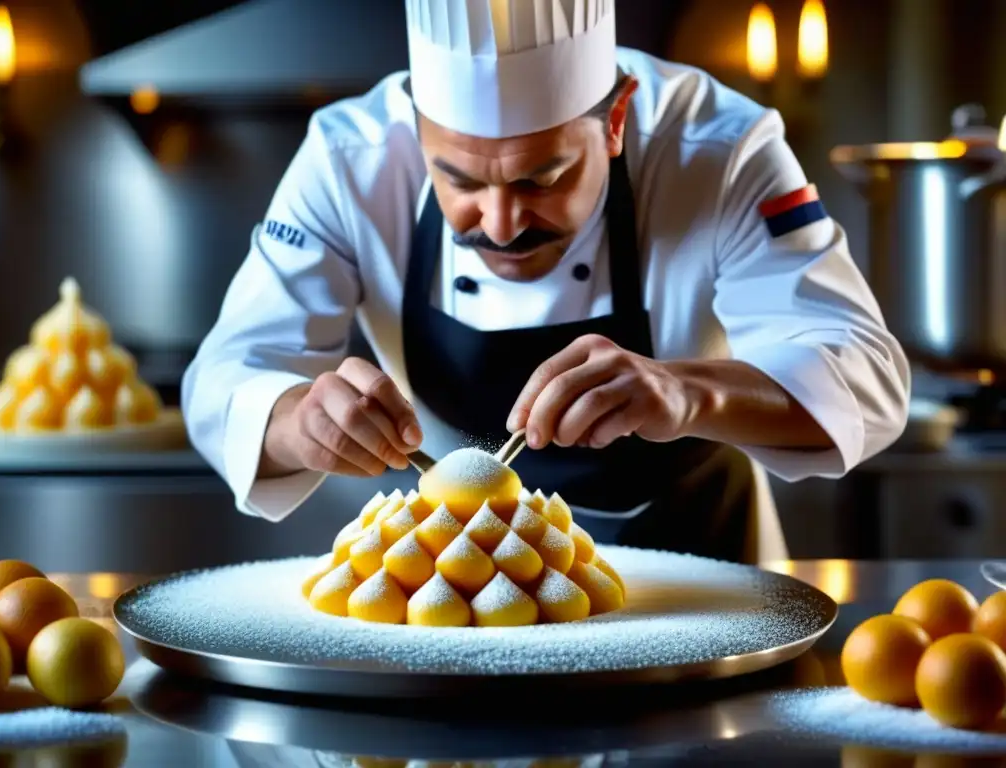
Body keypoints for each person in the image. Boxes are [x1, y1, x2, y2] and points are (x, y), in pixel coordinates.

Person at [182, 0, 910, 564]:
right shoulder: (349, 159)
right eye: (458, 179)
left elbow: (868, 377)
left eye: (545, 177)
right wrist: (298, 419)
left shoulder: (720, 146)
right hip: (463, 583)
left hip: (704, 578)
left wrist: (688, 391)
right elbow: (225, 377)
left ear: (616, 120)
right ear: (416, 128)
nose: (499, 224)